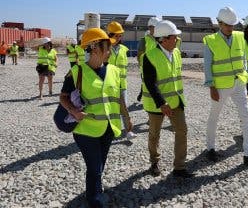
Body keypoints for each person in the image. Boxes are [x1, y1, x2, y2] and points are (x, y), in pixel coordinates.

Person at [59, 27, 133, 207]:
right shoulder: (76, 72)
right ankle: (94, 200)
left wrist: (127, 118)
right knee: (94, 167)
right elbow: (63, 97)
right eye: (107, 47)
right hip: (86, 130)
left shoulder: (114, 71)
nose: (110, 52)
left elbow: (119, 98)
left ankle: (93, 190)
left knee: (99, 165)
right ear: (95, 48)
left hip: (108, 128)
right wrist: (73, 111)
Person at [203, 7, 248, 166]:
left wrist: (245, 71)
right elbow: (207, 65)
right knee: (214, 117)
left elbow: (242, 56)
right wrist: (211, 86)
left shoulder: (239, 37)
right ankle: (210, 148)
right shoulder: (210, 40)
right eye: (227, 25)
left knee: (246, 117)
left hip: (239, 84)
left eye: (232, 25)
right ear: (219, 23)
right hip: (220, 86)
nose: (230, 28)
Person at [142, 20, 194, 178]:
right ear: (163, 39)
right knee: (154, 134)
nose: (177, 39)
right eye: (174, 37)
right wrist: (161, 103)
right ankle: (154, 162)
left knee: (182, 131)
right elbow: (150, 83)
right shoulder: (149, 56)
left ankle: (179, 167)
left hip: (176, 101)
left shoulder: (177, 53)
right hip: (157, 104)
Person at [106, 21, 137, 140]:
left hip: (122, 85)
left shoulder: (124, 49)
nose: (118, 38)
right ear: (110, 35)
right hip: (108, 85)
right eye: (116, 35)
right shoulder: (105, 47)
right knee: (110, 109)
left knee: (124, 108)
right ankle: (111, 131)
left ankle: (128, 131)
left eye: (120, 35)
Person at [136, 16, 160, 102]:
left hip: (159, 65)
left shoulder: (161, 39)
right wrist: (141, 65)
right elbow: (139, 54)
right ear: (150, 27)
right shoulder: (144, 40)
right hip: (146, 66)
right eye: (154, 27)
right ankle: (145, 97)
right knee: (148, 83)